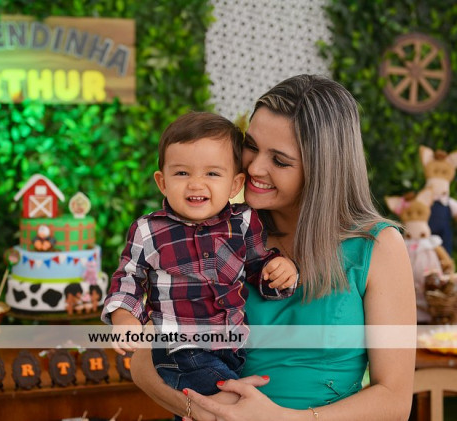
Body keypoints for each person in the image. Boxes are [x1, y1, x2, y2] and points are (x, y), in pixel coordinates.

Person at [129, 74, 416, 421]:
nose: (254, 167)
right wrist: (204, 411)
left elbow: (395, 400)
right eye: (251, 146)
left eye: (279, 161)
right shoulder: (215, 229)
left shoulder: (378, 247)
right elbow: (143, 361)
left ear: (323, 170)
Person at [101, 111, 298, 404]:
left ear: (235, 184)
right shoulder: (148, 230)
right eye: (182, 173)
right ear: (162, 182)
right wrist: (123, 317)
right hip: (179, 349)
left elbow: (258, 266)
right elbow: (128, 278)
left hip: (231, 347)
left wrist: (279, 270)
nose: (195, 184)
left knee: (202, 408)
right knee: (233, 402)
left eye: (212, 173)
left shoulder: (243, 222)